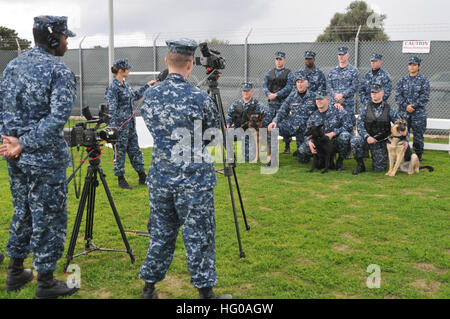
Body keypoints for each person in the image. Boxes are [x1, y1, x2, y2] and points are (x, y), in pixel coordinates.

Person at [138, 38, 232, 299]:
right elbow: (213, 136)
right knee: (199, 235)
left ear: (167, 62)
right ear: (190, 64)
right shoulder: (199, 97)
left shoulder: (151, 95)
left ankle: (149, 289)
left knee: (160, 233)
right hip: (194, 179)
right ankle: (206, 294)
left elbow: (152, 126)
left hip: (161, 177)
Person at [0, 15, 78, 298]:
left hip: (15, 157)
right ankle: (45, 281)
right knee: (49, 216)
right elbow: (57, 119)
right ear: (54, 39)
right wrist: (23, 143)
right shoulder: (59, 71)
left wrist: (9, 141)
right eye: (65, 37)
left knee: (24, 211)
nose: (68, 43)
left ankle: (15, 271)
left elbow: (2, 107)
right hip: (43, 157)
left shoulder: (11, 66)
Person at [105, 58, 153, 189]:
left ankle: (142, 176)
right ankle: (121, 179)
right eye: (127, 68)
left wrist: (147, 86)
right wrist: (112, 127)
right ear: (121, 70)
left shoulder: (125, 85)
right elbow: (111, 108)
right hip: (120, 126)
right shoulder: (113, 87)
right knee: (119, 152)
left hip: (130, 125)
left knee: (134, 150)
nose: (129, 70)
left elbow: (135, 95)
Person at [268, 71, 317, 163]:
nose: (300, 84)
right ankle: (273, 160)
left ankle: (303, 152)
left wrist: (335, 104)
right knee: (273, 129)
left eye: (302, 82)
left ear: (307, 83)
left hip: (306, 130)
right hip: (292, 125)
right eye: (298, 82)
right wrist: (275, 121)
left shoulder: (313, 96)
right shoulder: (292, 96)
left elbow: (324, 104)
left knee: (303, 160)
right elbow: (282, 110)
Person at [351, 84, 401, 174]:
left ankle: (378, 158)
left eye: (376, 92)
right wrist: (367, 137)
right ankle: (360, 165)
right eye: (372, 92)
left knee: (379, 169)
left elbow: (400, 125)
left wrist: (404, 140)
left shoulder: (389, 109)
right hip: (367, 139)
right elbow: (359, 124)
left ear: (382, 93)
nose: (374, 94)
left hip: (381, 142)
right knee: (355, 141)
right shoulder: (365, 108)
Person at [297, 91, 353, 170]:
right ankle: (320, 160)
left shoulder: (338, 111)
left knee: (345, 136)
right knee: (302, 149)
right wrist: (309, 142)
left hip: (334, 141)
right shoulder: (313, 116)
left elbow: (349, 126)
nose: (319, 101)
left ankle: (340, 160)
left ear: (327, 99)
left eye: (321, 99)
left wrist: (333, 133)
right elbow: (307, 133)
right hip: (320, 143)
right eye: (317, 99)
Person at [395, 56, 430, 163]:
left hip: (418, 114)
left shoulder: (424, 80)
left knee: (418, 136)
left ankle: (418, 157)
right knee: (402, 135)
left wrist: (413, 106)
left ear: (419, 67)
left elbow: (425, 97)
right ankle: (404, 157)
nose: (412, 66)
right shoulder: (402, 80)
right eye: (410, 64)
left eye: (414, 65)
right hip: (404, 113)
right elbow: (397, 96)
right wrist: (406, 106)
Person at [262, 51, 295, 154]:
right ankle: (269, 149)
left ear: (284, 60)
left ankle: (287, 145)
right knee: (268, 125)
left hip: (283, 104)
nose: (278, 61)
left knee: (283, 125)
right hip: (271, 104)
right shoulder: (269, 73)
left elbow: (289, 87)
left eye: (280, 59)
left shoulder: (289, 73)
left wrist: (277, 94)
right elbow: (264, 85)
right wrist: (268, 94)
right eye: (277, 59)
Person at [226, 82, 265, 162]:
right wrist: (228, 124)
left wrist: (260, 130)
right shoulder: (236, 103)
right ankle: (231, 156)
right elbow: (229, 115)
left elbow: (266, 117)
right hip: (238, 129)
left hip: (250, 133)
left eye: (247, 91)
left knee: (247, 158)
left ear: (252, 91)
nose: (245, 93)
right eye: (244, 91)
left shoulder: (258, 105)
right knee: (226, 134)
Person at [327, 46, 360, 126]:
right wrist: (335, 96)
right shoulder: (332, 71)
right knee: (333, 126)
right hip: (334, 104)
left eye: (343, 54)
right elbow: (328, 86)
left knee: (348, 127)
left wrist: (343, 95)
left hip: (347, 104)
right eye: (339, 55)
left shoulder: (353, 71)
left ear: (347, 55)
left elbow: (355, 86)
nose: (341, 57)